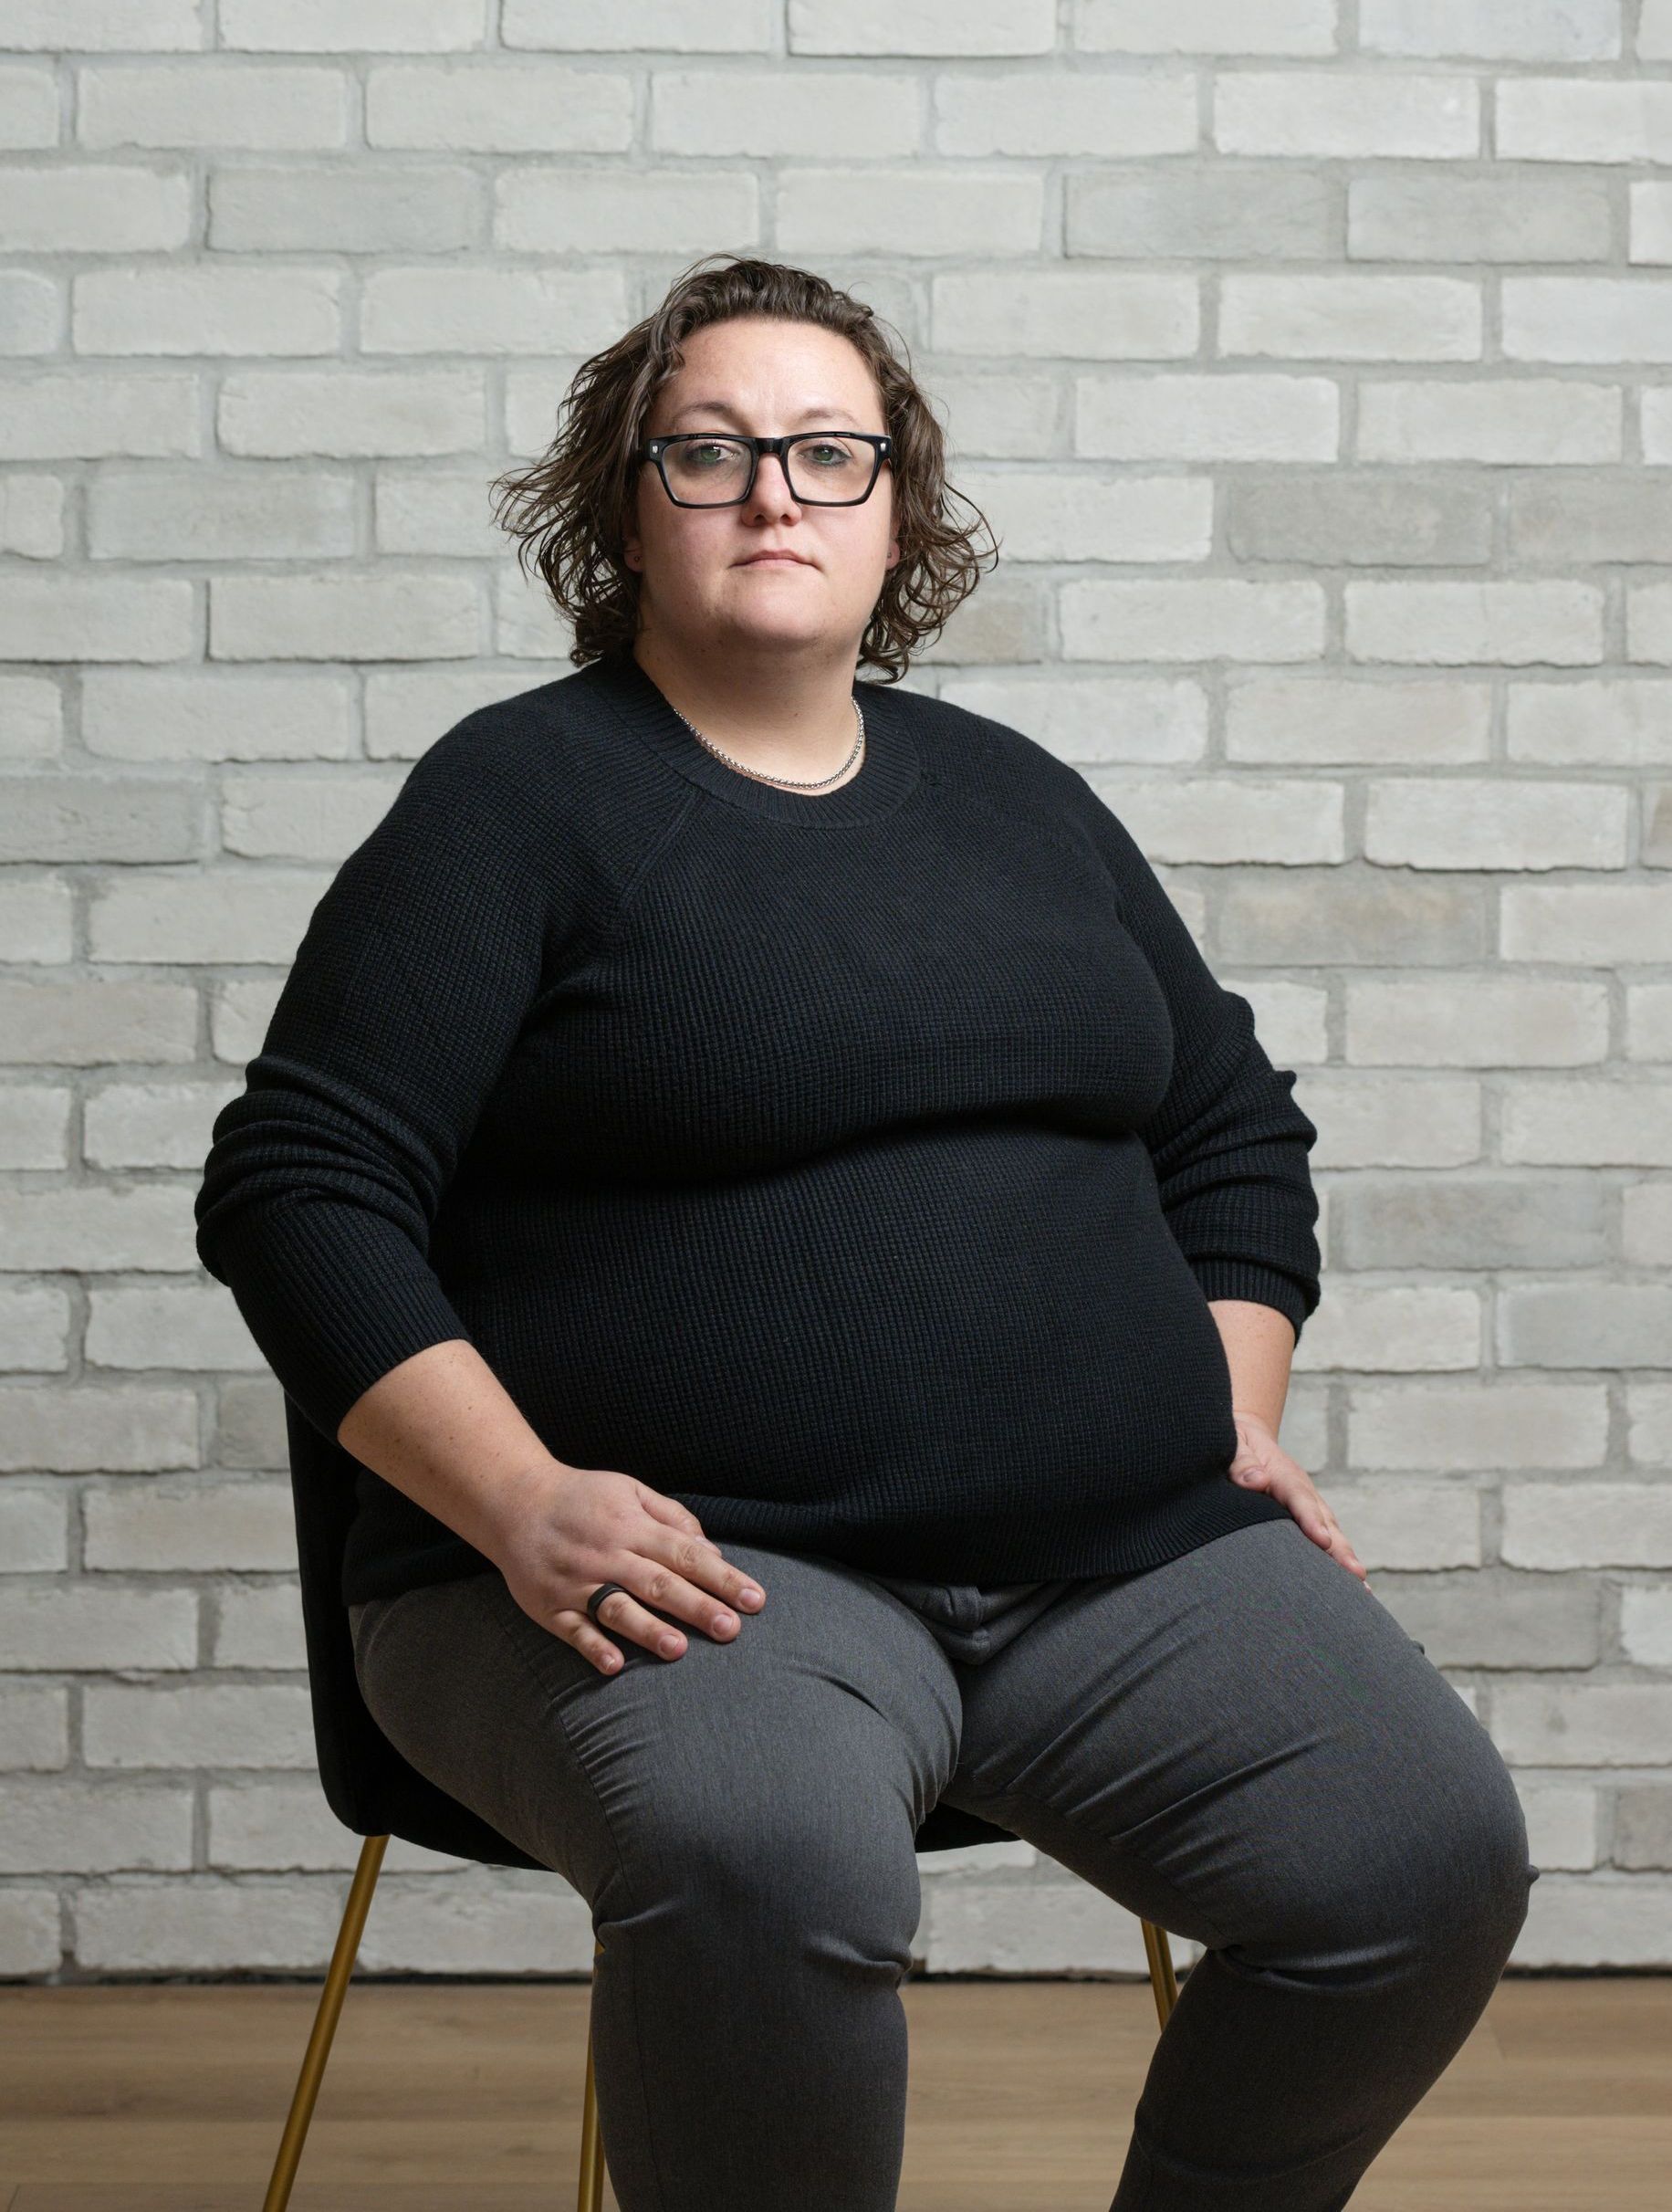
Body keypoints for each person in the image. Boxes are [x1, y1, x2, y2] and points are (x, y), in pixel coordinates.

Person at [193, 254, 1536, 2212]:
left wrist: (1233, 1404)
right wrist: (516, 1503)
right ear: (622, 503)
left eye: (829, 453)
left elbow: (1233, 1129)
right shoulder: (518, 802)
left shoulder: (1016, 800)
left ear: (899, 504)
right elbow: (298, 1186)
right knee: (772, 1855)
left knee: (1421, 1856)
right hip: (696, 1573)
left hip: (1120, 1556)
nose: (772, 495)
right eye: (711, 450)